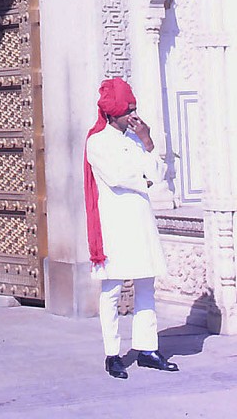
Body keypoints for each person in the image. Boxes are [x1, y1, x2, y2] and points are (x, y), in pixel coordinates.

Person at [83, 76, 179, 379]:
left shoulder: (136, 141)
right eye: (129, 111)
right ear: (114, 113)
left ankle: (147, 348)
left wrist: (148, 141)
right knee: (111, 290)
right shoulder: (97, 142)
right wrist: (146, 178)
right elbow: (119, 177)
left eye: (135, 109)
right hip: (114, 226)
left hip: (140, 221)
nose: (134, 117)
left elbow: (158, 173)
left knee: (146, 286)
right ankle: (112, 353)